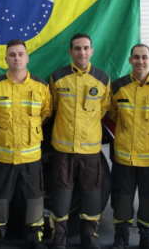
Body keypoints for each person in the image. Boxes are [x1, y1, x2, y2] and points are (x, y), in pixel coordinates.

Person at [0, 39, 53, 249]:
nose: (16, 58)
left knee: (34, 198)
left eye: (20, 54)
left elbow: (46, 113)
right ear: (5, 59)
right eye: (12, 55)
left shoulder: (41, 87)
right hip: (3, 157)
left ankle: (34, 237)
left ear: (27, 58)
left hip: (31, 157)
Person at [49, 33, 111, 249]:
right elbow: (54, 107)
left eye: (86, 48)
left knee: (92, 196)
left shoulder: (102, 79)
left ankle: (90, 239)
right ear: (70, 52)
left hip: (90, 152)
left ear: (92, 51)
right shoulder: (57, 77)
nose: (82, 52)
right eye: (77, 48)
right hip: (63, 150)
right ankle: (59, 240)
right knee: (61, 196)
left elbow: (103, 109)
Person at [109, 44, 149, 249]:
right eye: (136, 57)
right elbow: (111, 113)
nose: (140, 61)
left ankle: (148, 237)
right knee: (122, 199)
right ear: (130, 60)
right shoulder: (118, 87)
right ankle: (121, 237)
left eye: (144, 57)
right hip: (124, 157)